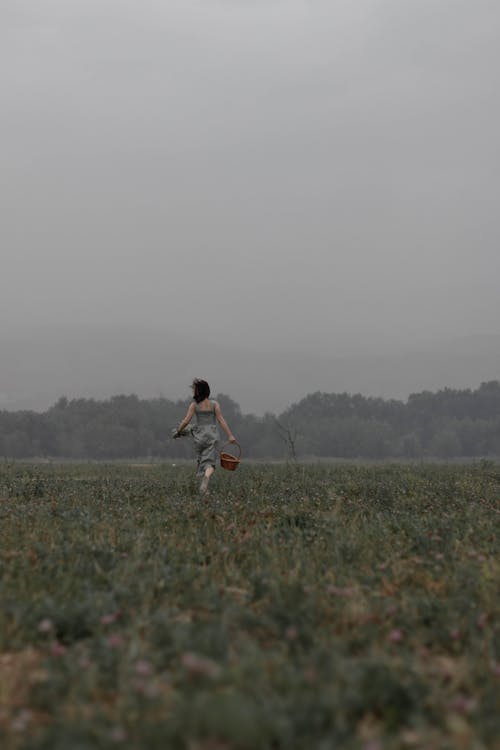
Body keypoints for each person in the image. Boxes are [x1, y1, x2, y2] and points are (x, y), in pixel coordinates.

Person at [174, 379, 237, 495]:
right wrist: (230, 435)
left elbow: (186, 421)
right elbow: (221, 420)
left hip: (199, 436)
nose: (193, 391)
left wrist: (178, 431)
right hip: (212, 435)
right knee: (210, 464)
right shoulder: (214, 404)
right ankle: (206, 480)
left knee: (203, 461)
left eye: (194, 389)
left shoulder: (194, 405)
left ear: (199, 391)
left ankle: (205, 485)